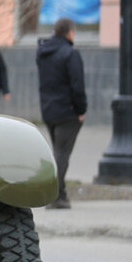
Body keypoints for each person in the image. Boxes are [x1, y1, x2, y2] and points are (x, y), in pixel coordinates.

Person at [37, 17, 87, 209]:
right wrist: (81, 109)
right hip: (67, 111)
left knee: (58, 152)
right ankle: (54, 197)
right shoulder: (70, 53)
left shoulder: (43, 52)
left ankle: (61, 194)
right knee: (62, 154)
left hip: (49, 109)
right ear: (70, 32)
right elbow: (77, 85)